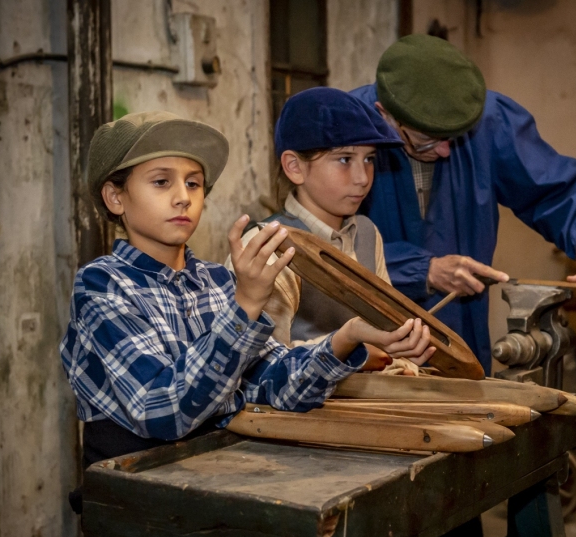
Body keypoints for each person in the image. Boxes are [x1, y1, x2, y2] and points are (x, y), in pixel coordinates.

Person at [59, 110, 434, 477]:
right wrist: (246, 304)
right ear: (115, 198)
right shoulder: (102, 286)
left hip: (217, 481)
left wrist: (347, 337)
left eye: (193, 183)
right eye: (161, 182)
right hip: (139, 502)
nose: (182, 198)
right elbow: (165, 412)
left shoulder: (217, 281)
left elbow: (278, 386)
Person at [351, 34, 576, 375]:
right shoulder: (345, 129)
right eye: (428, 139)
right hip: (370, 333)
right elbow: (327, 242)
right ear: (384, 115)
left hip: (459, 327)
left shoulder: (488, 121)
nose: (445, 151)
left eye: (453, 138)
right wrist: (423, 269)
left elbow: (552, 189)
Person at [233, 87, 433, 374]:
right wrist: (353, 351)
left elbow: (386, 327)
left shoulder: (365, 233)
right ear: (294, 167)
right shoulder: (268, 244)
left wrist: (400, 357)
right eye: (344, 159)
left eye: (369, 159)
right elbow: (258, 363)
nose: (362, 178)